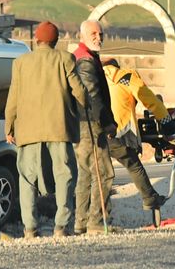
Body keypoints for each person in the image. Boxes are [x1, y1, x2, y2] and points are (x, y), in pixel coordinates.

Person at [5, 21, 87, 239]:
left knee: (27, 178)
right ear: (55, 40)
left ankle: (30, 228)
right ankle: (61, 226)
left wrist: (9, 126)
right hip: (59, 128)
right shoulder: (65, 59)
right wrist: (84, 107)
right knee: (65, 176)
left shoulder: (21, 62)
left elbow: (12, 98)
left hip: (28, 130)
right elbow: (79, 91)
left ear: (36, 40)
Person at [102, 58, 170, 212]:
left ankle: (96, 213)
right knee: (134, 166)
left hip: (96, 134)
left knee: (100, 174)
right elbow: (149, 100)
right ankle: (149, 198)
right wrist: (166, 120)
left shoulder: (94, 77)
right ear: (116, 66)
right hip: (120, 133)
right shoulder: (125, 77)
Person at [73, 20, 118, 235]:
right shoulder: (86, 62)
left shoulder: (87, 57)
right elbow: (93, 97)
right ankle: (96, 223)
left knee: (85, 174)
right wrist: (107, 123)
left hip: (83, 124)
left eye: (101, 34)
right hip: (91, 125)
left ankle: (81, 222)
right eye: (93, 33)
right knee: (104, 173)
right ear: (81, 36)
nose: (98, 37)